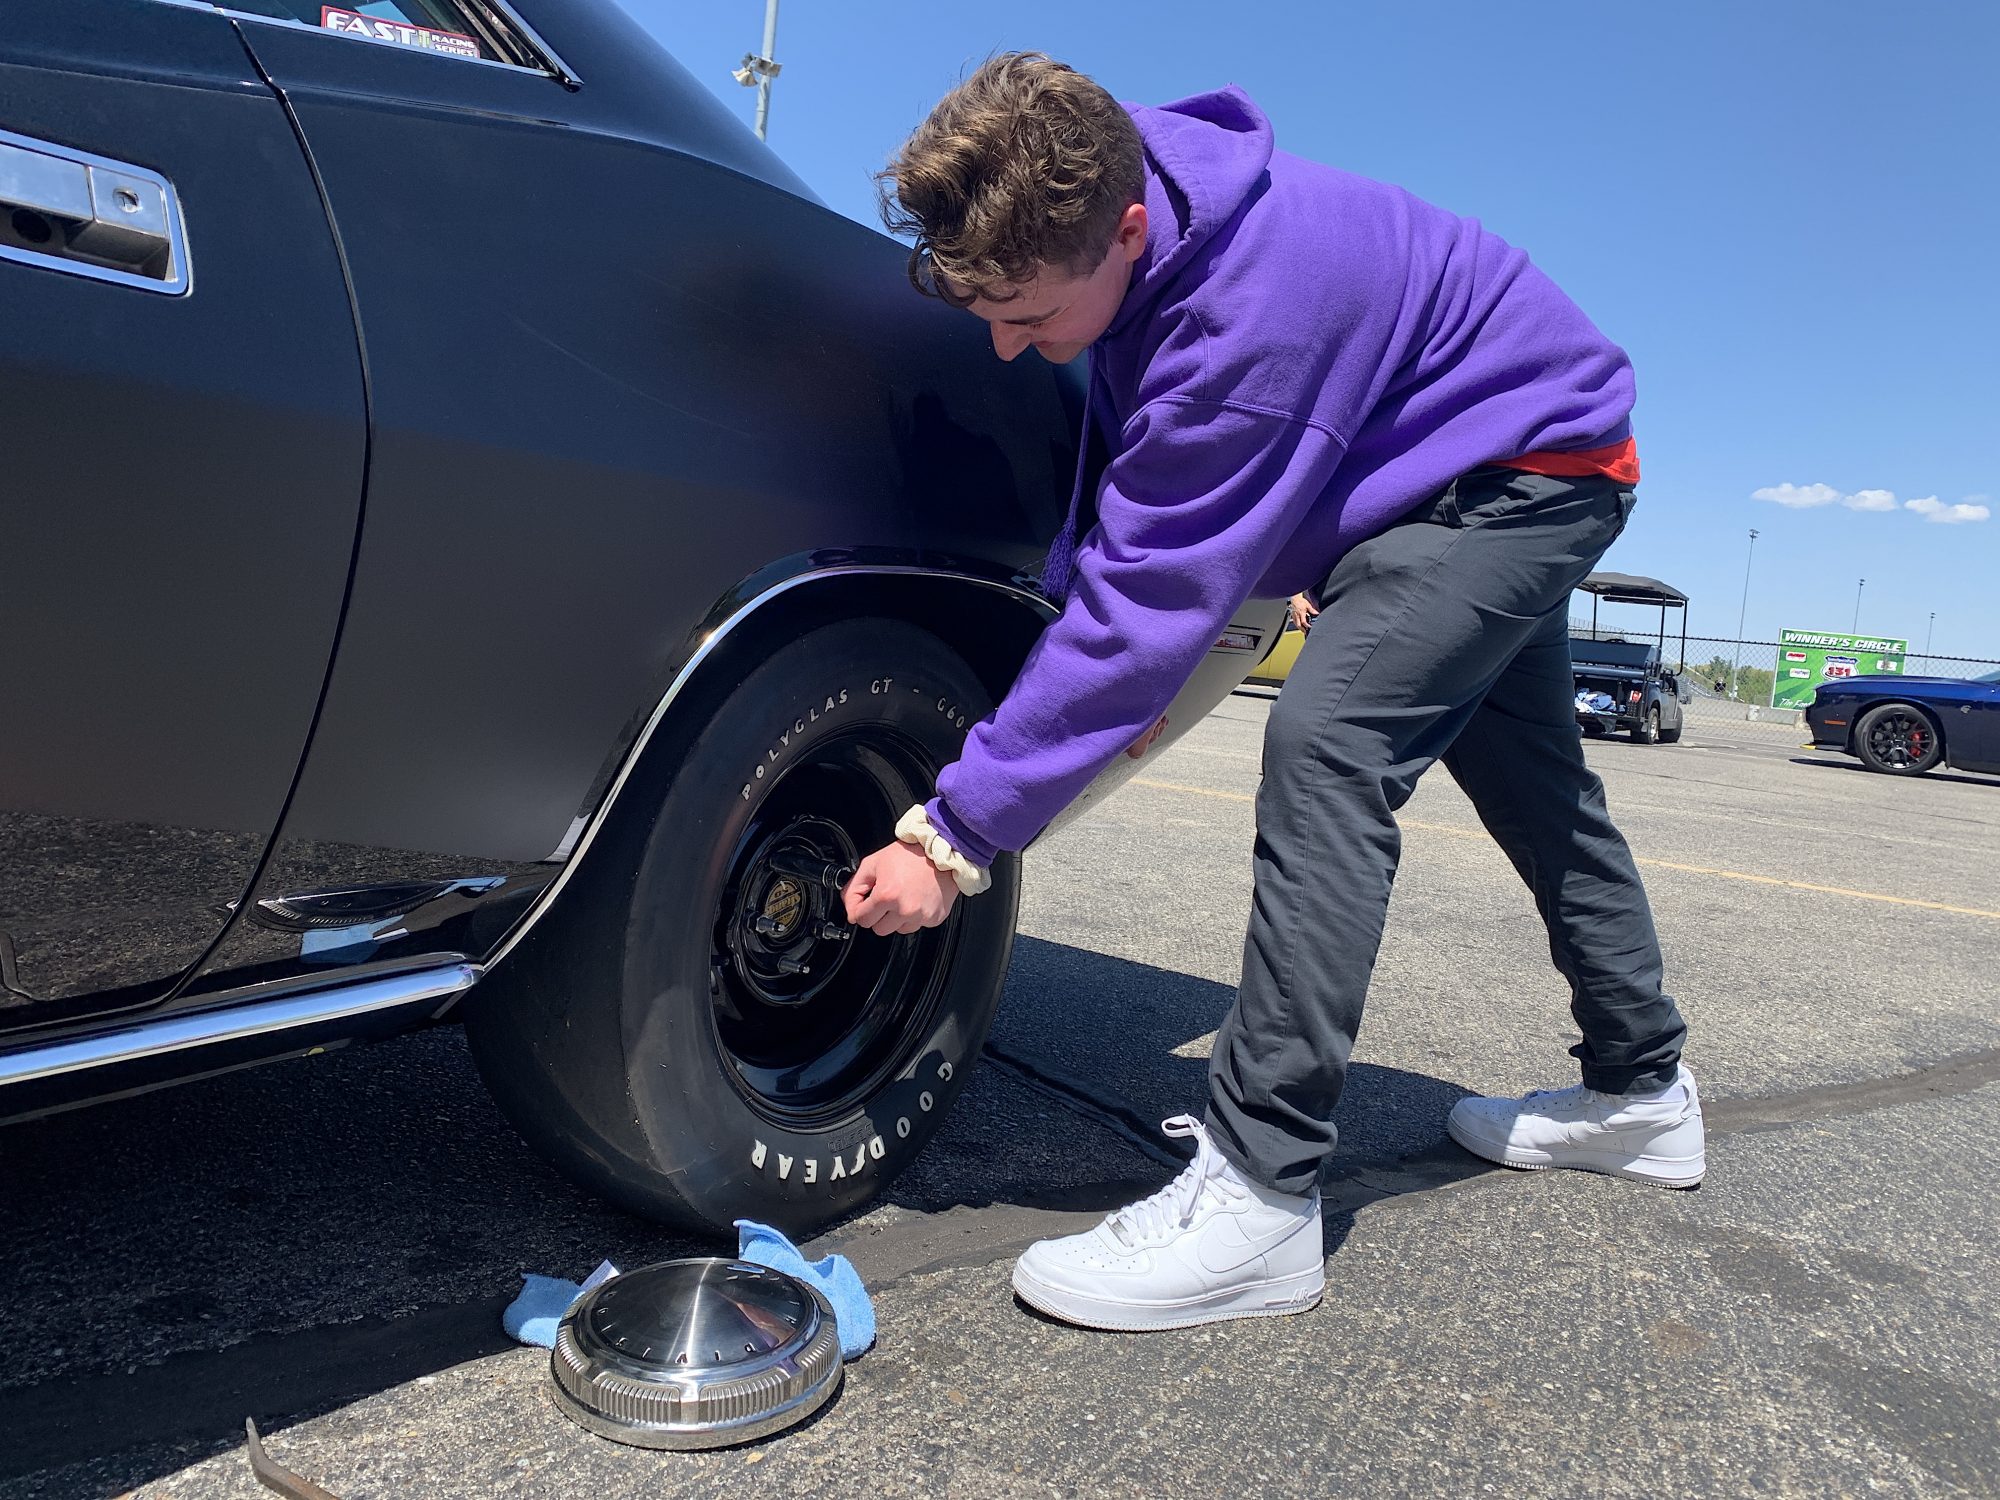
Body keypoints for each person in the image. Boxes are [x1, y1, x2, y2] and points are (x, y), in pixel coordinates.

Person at [843, 54, 1701, 1333]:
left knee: (1327, 745)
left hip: (1522, 474)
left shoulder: (1250, 314)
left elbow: (1148, 609)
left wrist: (952, 831)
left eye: (1022, 313)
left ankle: (1259, 1195)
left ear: (1124, 230)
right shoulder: (1092, 171)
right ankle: (1641, 1096)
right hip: (1466, 456)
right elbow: (1133, 479)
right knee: (1537, 788)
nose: (1004, 348)